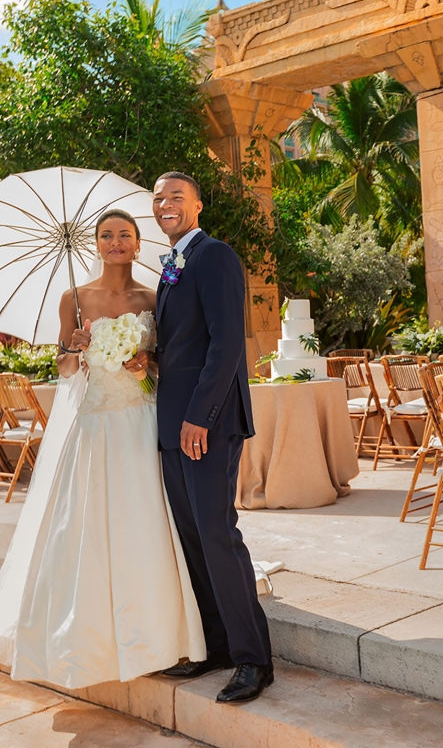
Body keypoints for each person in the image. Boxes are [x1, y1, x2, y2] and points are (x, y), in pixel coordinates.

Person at [0, 209, 206, 690]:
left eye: (124, 235)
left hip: (143, 422)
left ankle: (159, 630)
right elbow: (61, 367)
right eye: (107, 236)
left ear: (138, 244)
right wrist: (75, 347)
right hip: (96, 425)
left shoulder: (153, 295)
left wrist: (146, 361)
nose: (115, 242)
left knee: (147, 519)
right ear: (96, 245)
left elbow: (164, 363)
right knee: (88, 523)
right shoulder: (73, 299)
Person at [149, 170, 274, 704]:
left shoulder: (215, 255)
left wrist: (199, 415)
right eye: (157, 198)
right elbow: (184, 346)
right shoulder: (173, 265)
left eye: (176, 196)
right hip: (173, 425)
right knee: (194, 539)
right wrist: (146, 359)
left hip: (208, 424)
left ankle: (254, 660)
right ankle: (218, 647)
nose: (165, 204)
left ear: (197, 206)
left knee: (219, 536)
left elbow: (226, 345)